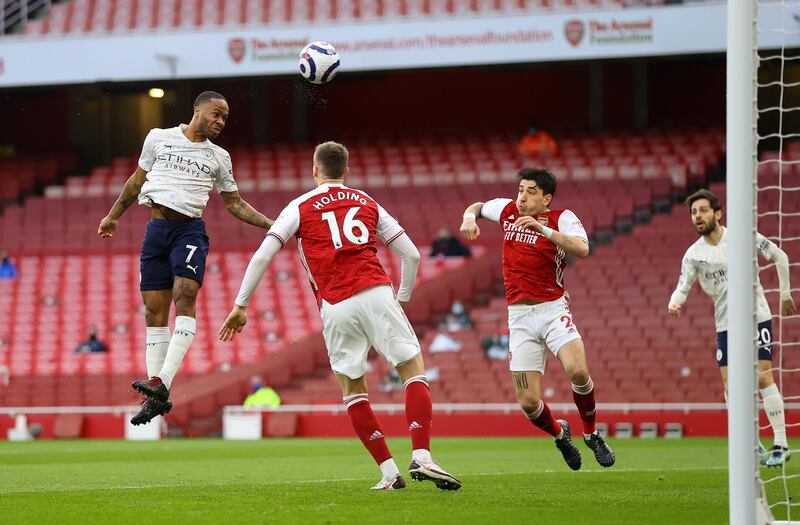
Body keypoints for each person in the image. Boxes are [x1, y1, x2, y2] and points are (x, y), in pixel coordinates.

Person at [219, 141, 461, 491]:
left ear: (314, 171)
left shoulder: (299, 206)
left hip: (334, 304)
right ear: (346, 171)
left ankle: (390, 473)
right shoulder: (366, 201)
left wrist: (241, 304)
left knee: (353, 389)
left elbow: (262, 255)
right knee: (412, 370)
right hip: (376, 291)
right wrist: (402, 298)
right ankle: (421, 455)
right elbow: (411, 255)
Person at [97, 91, 274, 426]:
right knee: (153, 311)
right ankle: (156, 392)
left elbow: (234, 204)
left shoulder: (218, 157)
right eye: (216, 114)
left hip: (188, 231)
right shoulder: (158, 138)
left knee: (185, 296)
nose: (220, 122)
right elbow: (136, 182)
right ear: (197, 110)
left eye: (225, 118)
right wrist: (113, 216)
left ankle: (162, 381)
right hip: (156, 232)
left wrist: (271, 223)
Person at [459, 166, 614, 471]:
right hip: (519, 317)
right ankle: (560, 435)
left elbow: (583, 248)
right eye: (520, 190)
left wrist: (543, 230)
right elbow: (477, 207)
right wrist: (468, 218)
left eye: (530, 192)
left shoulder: (562, 218)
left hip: (552, 310)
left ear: (546, 199)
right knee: (529, 403)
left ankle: (592, 433)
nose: (522, 197)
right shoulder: (506, 210)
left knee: (578, 371)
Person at [668, 189, 796, 467]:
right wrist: (675, 303)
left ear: (717, 213)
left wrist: (785, 293)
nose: (697, 216)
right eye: (693, 212)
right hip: (726, 325)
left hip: (756, 316)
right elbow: (682, 286)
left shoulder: (743, 237)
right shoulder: (694, 254)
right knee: (730, 386)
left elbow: (780, 256)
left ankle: (781, 443)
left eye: (702, 210)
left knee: (763, 378)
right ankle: (750, 443)